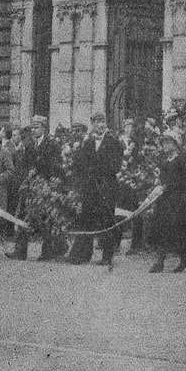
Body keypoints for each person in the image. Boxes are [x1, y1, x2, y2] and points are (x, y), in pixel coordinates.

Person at [8, 115, 68, 261]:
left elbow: (55, 166)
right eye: (32, 127)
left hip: (45, 186)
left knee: (46, 219)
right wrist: (25, 180)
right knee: (23, 216)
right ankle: (20, 251)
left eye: (37, 127)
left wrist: (44, 177)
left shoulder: (52, 144)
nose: (34, 130)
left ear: (44, 128)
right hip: (30, 186)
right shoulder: (29, 145)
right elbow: (24, 165)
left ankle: (48, 251)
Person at [67, 113, 124, 266]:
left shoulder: (113, 142)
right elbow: (79, 164)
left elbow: (115, 165)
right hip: (90, 188)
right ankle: (83, 254)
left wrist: (96, 169)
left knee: (107, 221)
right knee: (86, 219)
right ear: (92, 124)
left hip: (106, 188)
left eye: (103, 122)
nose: (100, 125)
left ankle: (107, 256)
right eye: (97, 122)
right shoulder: (89, 142)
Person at [148, 132, 186, 273]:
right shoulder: (164, 161)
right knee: (162, 228)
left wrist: (169, 186)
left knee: (176, 230)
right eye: (164, 143)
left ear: (175, 144)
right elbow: (163, 179)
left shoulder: (181, 161)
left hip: (177, 200)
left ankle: (183, 259)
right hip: (164, 200)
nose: (165, 145)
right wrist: (159, 184)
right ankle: (160, 262)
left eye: (169, 142)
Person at [0, 126, 17, 233]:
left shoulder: (7, 147)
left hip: (4, 183)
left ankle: (4, 232)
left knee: (3, 208)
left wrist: (0, 177)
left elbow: (10, 168)